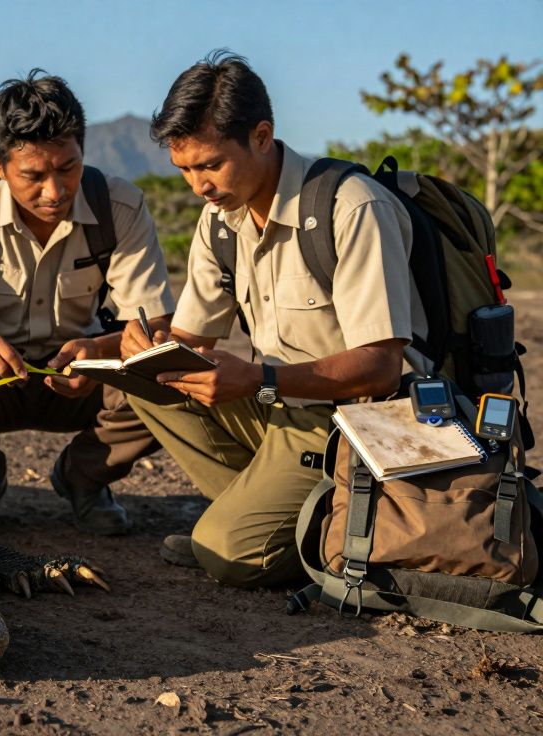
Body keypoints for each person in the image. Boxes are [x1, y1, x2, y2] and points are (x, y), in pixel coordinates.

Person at [117, 51, 424, 586]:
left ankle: (321, 527)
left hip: (359, 423)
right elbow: (188, 336)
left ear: (262, 136)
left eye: (210, 164)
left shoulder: (351, 208)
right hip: (278, 405)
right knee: (153, 383)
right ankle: (260, 513)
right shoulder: (220, 221)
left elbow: (381, 367)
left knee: (228, 554)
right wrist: (133, 344)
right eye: (184, 169)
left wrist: (259, 379)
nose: (198, 186)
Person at [0, 70, 176, 533]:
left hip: (84, 383)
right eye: (34, 175)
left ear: (83, 151)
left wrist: (99, 352)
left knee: (167, 373)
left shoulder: (119, 207)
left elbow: (157, 328)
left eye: (68, 168)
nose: (55, 191)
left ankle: (85, 477)